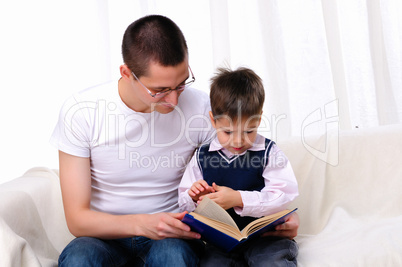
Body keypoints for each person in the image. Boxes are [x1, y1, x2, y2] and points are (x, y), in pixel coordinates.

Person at [51, 15, 299, 266]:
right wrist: (143, 224)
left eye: (181, 84)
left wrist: (274, 216)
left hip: (174, 234)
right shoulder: (81, 112)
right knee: (79, 258)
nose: (174, 101)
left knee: (172, 257)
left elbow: (241, 162)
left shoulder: (203, 108)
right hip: (104, 235)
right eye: (159, 91)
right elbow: (77, 219)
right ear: (127, 73)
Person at [178, 67, 299, 266]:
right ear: (213, 121)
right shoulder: (202, 156)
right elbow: (183, 202)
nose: (237, 141)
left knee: (271, 262)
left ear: (259, 120)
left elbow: (284, 195)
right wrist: (193, 196)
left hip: (267, 240)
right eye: (227, 132)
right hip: (221, 243)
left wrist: (238, 198)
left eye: (248, 131)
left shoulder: (270, 152)